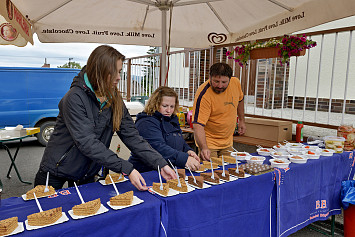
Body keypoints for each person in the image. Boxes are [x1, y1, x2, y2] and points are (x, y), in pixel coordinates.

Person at [34, 45, 176, 191]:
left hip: (86, 171)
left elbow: (132, 136)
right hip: (55, 169)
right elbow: (88, 143)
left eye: (120, 72)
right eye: (114, 72)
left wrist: (160, 163)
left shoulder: (114, 99)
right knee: (44, 212)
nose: (119, 77)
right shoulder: (74, 98)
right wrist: (127, 168)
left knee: (86, 212)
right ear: (100, 71)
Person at [129, 86, 201, 172]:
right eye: (165, 106)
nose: (169, 110)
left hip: (168, 169)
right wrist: (184, 159)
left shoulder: (172, 120)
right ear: (155, 104)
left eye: (172, 106)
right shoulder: (146, 122)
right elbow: (158, 147)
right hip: (146, 171)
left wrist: (188, 150)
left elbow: (180, 141)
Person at [192, 62, 246, 161]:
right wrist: (204, 148)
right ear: (210, 77)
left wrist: (242, 120)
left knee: (228, 172)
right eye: (216, 81)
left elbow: (240, 99)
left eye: (224, 82)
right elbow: (198, 125)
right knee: (210, 173)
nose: (220, 86)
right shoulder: (203, 94)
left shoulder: (235, 83)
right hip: (208, 143)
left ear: (230, 79)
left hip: (228, 141)